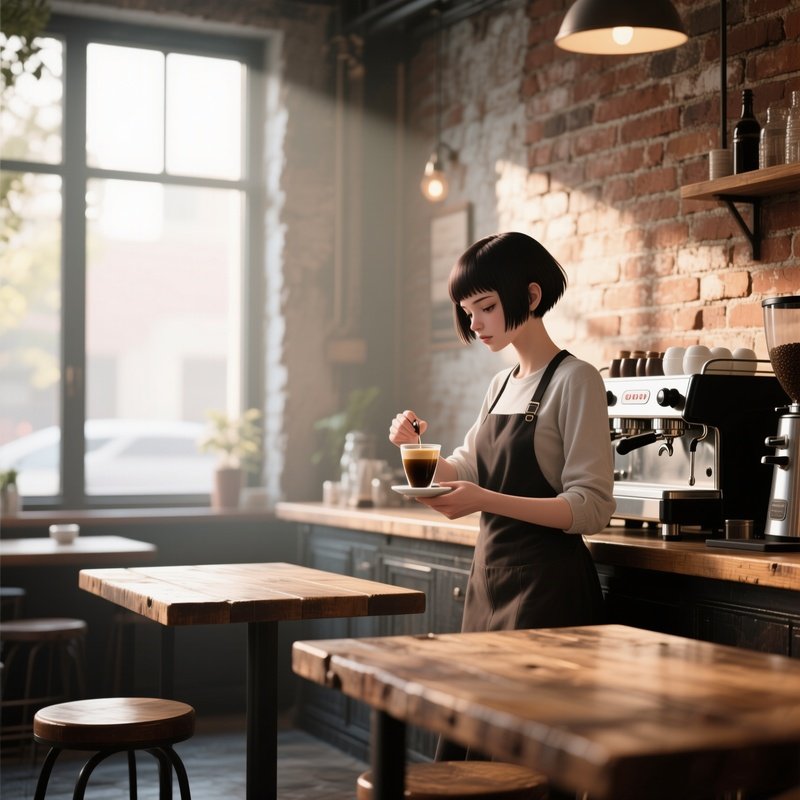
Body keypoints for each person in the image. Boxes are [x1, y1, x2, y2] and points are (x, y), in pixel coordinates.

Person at [389, 230, 614, 644]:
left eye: (486, 307)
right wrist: (412, 445)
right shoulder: (500, 384)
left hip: (549, 591)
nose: (474, 324)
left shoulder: (576, 380)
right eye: (467, 311)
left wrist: (485, 500)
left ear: (530, 297)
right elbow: (463, 468)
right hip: (487, 582)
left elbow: (592, 508)